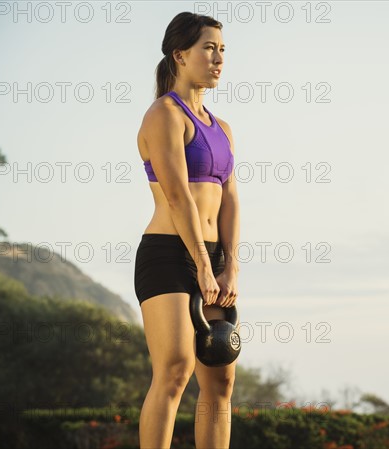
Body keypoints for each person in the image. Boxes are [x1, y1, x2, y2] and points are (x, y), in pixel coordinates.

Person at [133, 12, 240, 449]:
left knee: (220, 378)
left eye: (222, 50)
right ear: (180, 54)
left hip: (213, 261)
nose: (218, 59)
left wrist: (228, 266)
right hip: (168, 255)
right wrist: (200, 263)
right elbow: (178, 198)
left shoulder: (224, 129)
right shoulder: (164, 115)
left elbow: (230, 199)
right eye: (208, 48)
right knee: (175, 371)